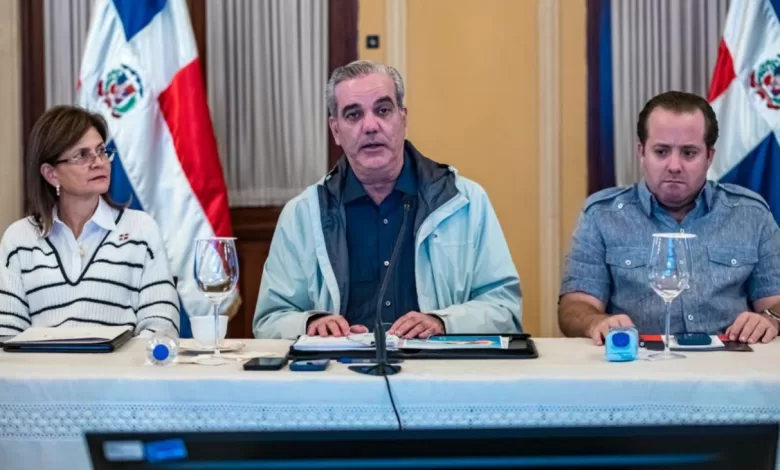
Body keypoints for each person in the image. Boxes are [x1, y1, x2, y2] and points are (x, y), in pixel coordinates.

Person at [253, 60, 521, 339]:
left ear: (403, 119)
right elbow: (270, 320)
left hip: (439, 374)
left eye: (383, 110)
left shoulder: (465, 202)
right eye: (354, 115)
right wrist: (310, 324)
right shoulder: (303, 213)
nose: (370, 126)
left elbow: (504, 309)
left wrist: (443, 322)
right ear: (335, 130)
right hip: (338, 376)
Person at [559, 91, 780, 345]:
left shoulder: (751, 214)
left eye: (689, 153)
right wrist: (595, 322)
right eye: (661, 151)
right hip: (638, 368)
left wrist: (770, 318)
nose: (674, 166)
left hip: (730, 368)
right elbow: (575, 306)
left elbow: (774, 300)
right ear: (642, 152)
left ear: (709, 157)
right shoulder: (601, 215)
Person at [0, 105, 180, 337]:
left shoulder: (140, 229)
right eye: (82, 155)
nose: (98, 162)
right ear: (51, 174)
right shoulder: (19, 239)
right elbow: (5, 333)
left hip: (120, 371)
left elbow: (162, 324)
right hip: (44, 371)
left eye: (101, 151)